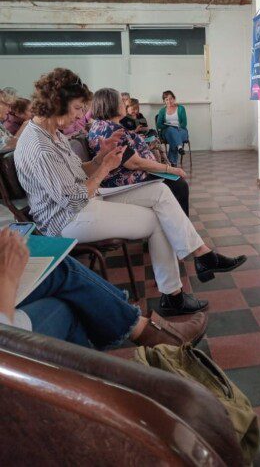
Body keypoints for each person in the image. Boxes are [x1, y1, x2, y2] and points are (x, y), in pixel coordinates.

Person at [14, 69, 246, 318]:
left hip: (84, 201)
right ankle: (175, 294)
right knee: (159, 219)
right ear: (57, 103)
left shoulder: (51, 132)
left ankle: (202, 256)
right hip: (66, 220)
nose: (82, 115)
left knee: (160, 191)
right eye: (78, 108)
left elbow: (78, 171)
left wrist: (101, 157)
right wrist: (104, 167)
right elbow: (73, 200)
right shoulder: (40, 147)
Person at [0, 227, 207, 348]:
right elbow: (73, 199)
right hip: (8, 346)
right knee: (65, 297)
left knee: (162, 197)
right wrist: (7, 276)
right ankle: (147, 330)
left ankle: (148, 330)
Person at [88, 88, 190, 216]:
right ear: (112, 104)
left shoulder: (103, 125)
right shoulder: (110, 130)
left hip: (133, 174)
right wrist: (170, 169)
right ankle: (179, 223)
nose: (124, 104)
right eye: (121, 101)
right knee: (179, 184)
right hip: (129, 180)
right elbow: (135, 163)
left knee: (176, 181)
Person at [156, 91, 189, 166]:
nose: (169, 101)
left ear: (174, 99)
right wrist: (168, 126)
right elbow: (159, 125)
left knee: (173, 137)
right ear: (164, 101)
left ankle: (172, 162)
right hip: (167, 131)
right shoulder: (162, 111)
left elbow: (184, 123)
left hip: (181, 130)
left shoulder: (181, 108)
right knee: (171, 130)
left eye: (171, 99)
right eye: (166, 99)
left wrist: (177, 127)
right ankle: (179, 147)